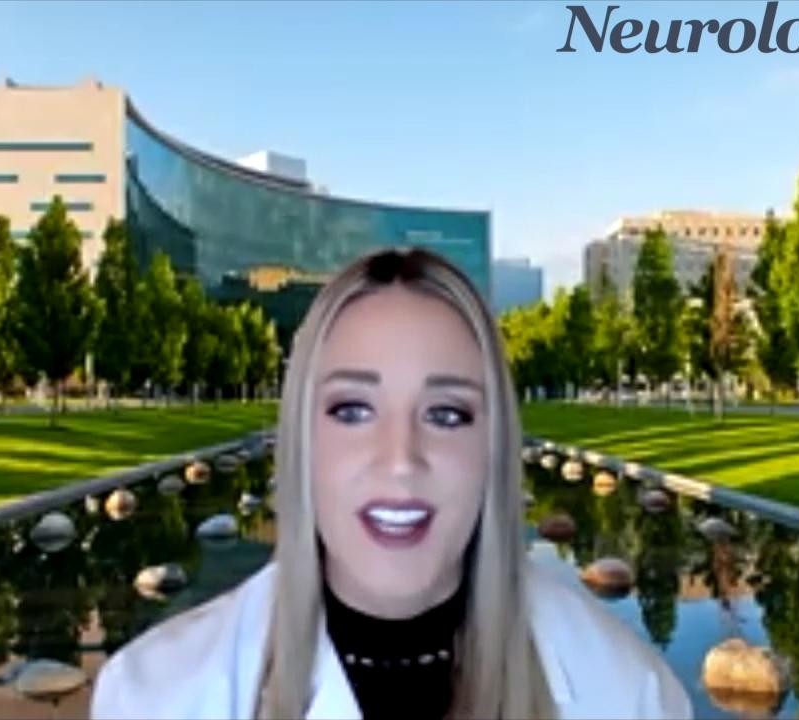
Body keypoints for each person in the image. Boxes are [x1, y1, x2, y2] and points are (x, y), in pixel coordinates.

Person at [91, 248, 691, 719]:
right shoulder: (152, 697)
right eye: (353, 410)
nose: (401, 459)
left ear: (494, 446)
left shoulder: (629, 693)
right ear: (302, 439)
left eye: (446, 414)